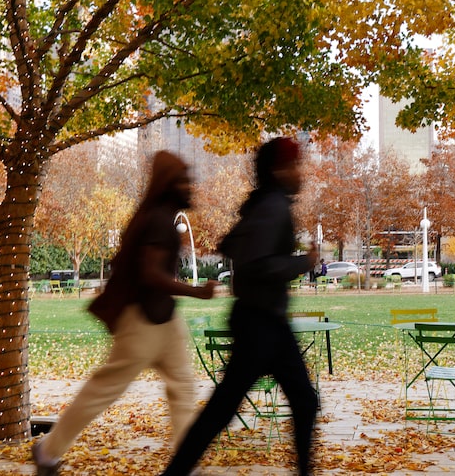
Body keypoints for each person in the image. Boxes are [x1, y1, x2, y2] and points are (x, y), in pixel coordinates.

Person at [32, 151, 217, 476]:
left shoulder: (159, 215)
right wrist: (196, 291)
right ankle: (47, 451)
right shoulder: (159, 219)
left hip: (165, 322)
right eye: (183, 179)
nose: (190, 185)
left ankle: (185, 465)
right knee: (103, 391)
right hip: (142, 324)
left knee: (183, 390)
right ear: (168, 184)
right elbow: (150, 274)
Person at [161, 137, 319, 476]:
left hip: (264, 321)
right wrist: (304, 262)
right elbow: (260, 264)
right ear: (279, 169)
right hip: (261, 324)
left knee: (301, 401)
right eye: (294, 164)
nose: (299, 172)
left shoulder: (264, 204)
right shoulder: (273, 206)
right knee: (226, 409)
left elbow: (230, 243)